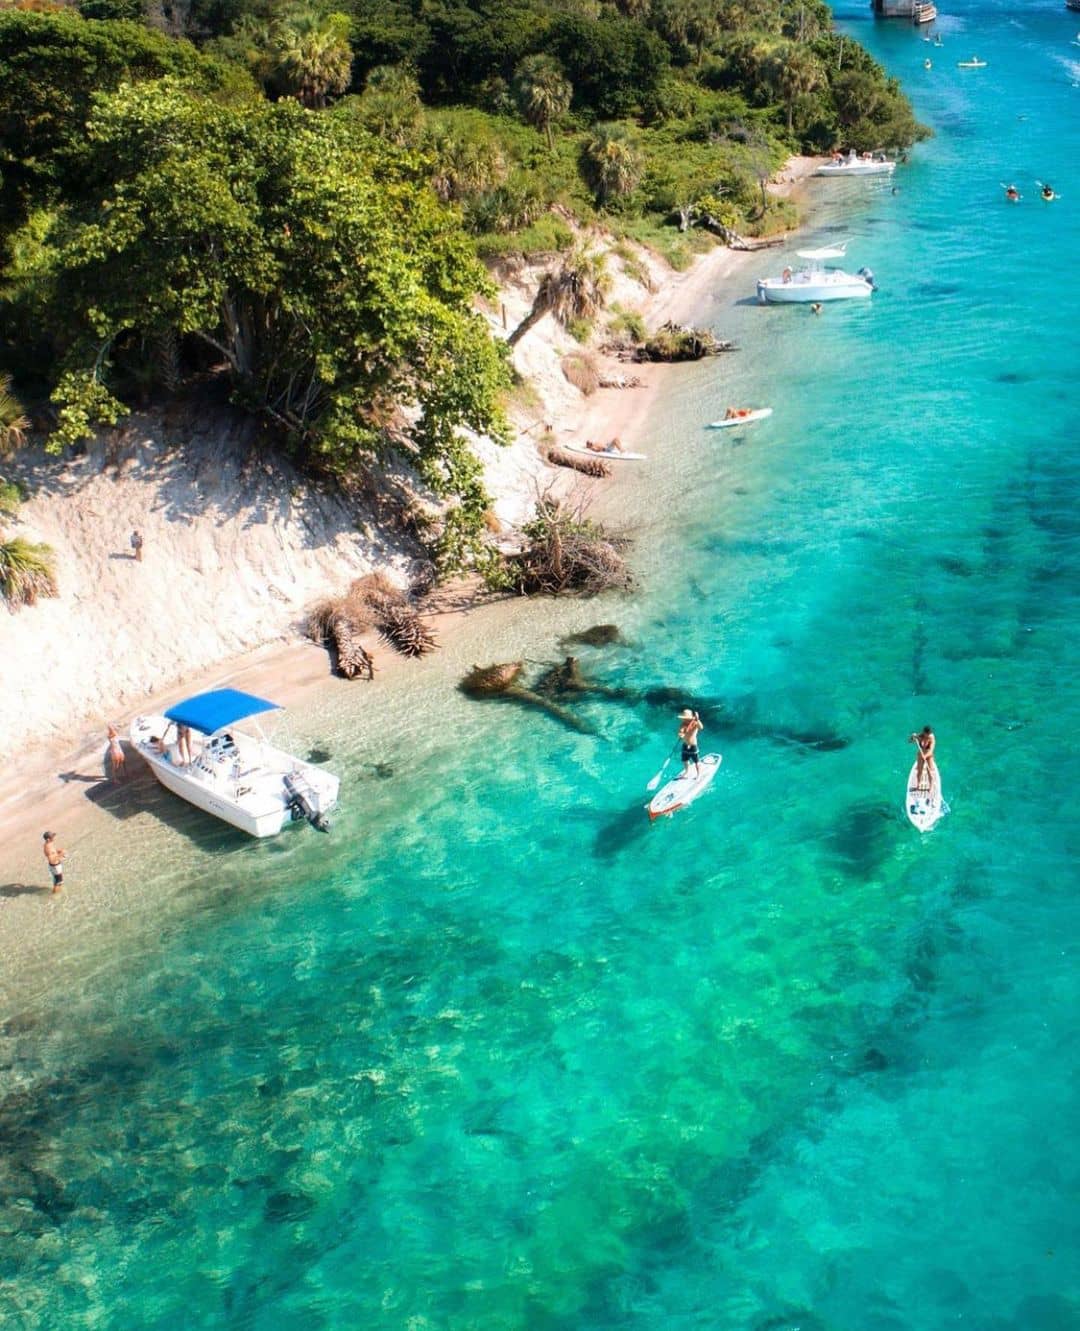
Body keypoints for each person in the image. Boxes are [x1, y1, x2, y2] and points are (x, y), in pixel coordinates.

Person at [677, 708, 703, 780]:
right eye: (683, 718)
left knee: (696, 761)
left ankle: (699, 774)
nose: (683, 720)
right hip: (685, 745)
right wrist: (680, 734)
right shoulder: (683, 724)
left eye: (685, 718)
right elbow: (680, 732)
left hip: (693, 745)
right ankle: (687, 772)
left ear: (689, 718)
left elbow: (701, 727)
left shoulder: (695, 723)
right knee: (685, 760)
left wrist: (697, 720)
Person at [908, 725, 936, 790]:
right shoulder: (920, 736)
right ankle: (918, 786)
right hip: (921, 755)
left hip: (929, 755)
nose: (928, 735)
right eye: (927, 734)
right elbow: (910, 741)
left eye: (929, 734)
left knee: (930, 771)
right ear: (924, 732)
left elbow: (931, 750)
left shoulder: (932, 738)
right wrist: (912, 737)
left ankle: (930, 787)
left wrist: (925, 756)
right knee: (919, 771)